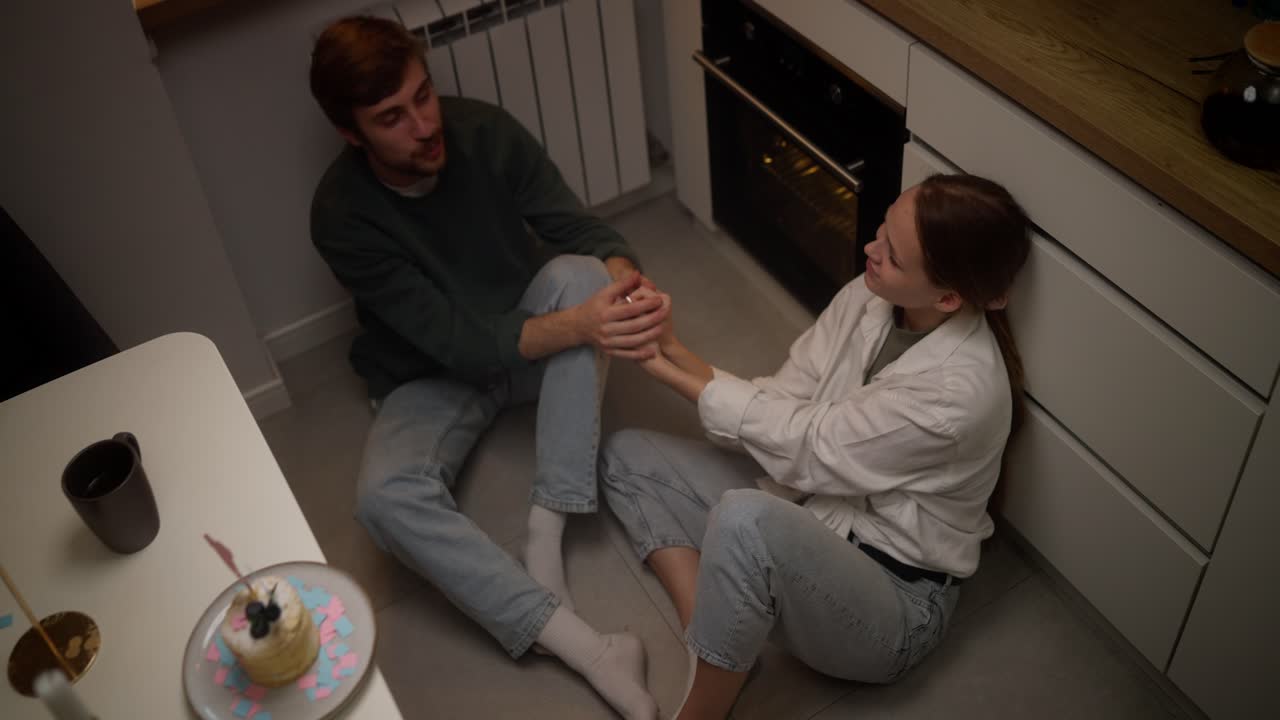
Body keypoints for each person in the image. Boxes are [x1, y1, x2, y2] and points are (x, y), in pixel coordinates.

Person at [308, 17, 663, 719]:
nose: (422, 124)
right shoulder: (340, 215)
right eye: (392, 117)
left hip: (528, 334)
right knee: (384, 501)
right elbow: (459, 343)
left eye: (424, 95)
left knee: (582, 271)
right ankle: (587, 648)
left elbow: (585, 231)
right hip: (427, 374)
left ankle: (546, 530)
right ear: (354, 135)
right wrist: (583, 324)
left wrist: (622, 288)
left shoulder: (484, 133)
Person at [600, 174, 1032, 719]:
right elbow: (782, 401)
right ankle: (711, 637)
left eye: (894, 257)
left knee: (744, 522)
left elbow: (809, 449)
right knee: (627, 456)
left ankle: (702, 711)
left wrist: (666, 372)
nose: (872, 250)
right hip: (817, 511)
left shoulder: (956, 395)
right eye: (882, 229)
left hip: (894, 597)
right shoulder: (871, 295)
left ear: (947, 297)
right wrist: (671, 347)